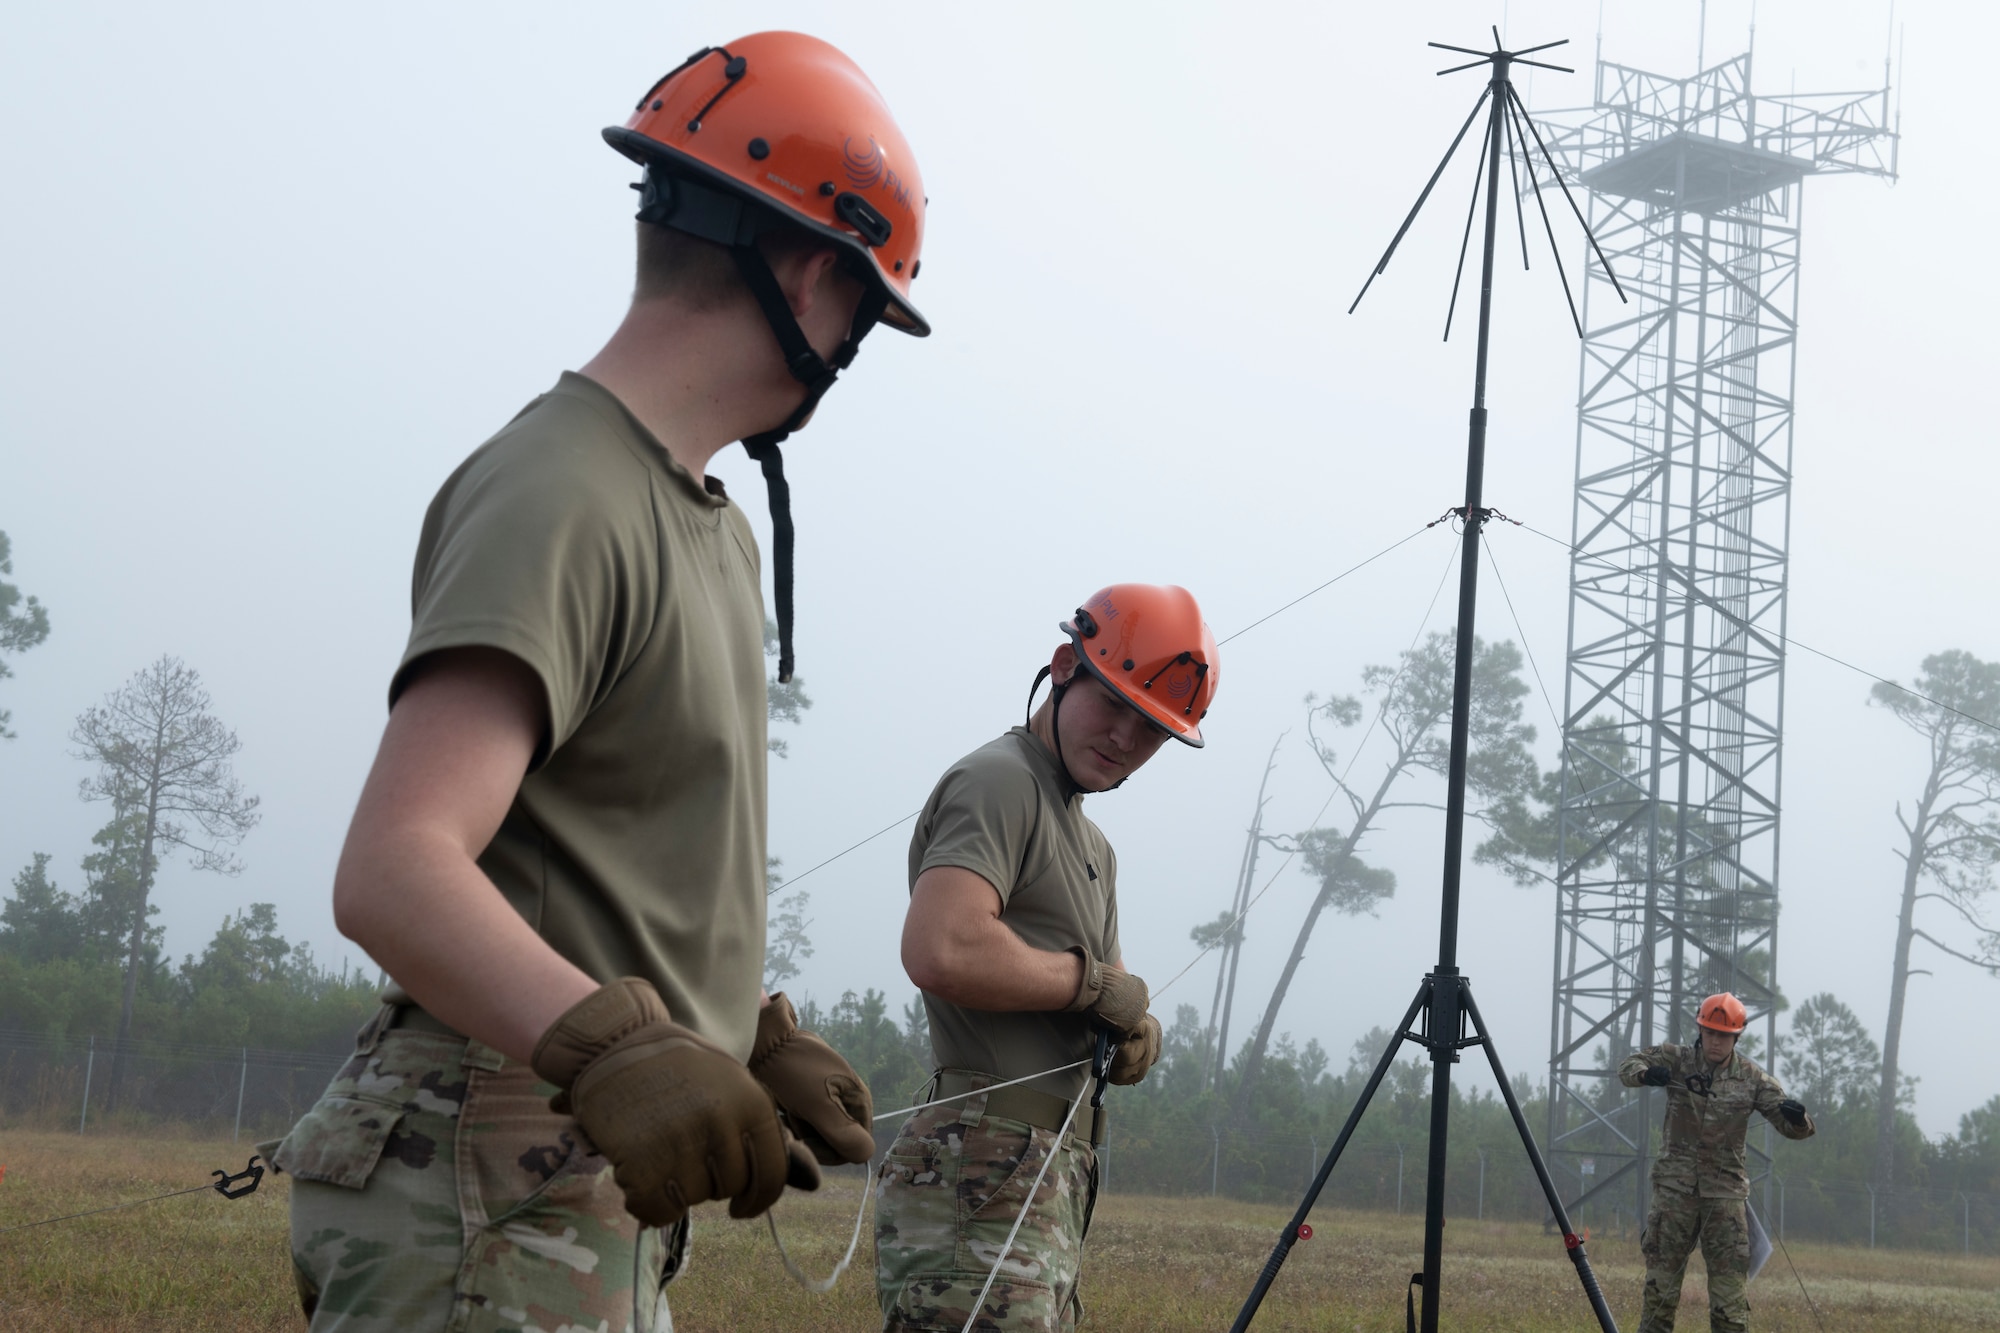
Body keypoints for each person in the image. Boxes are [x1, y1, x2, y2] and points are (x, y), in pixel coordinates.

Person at [269, 32, 930, 1331]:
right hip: (481, 1170)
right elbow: (396, 866)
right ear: (809, 270)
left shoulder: (712, 526)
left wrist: (736, 1027)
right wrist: (628, 1044)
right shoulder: (563, 489)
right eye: (866, 307)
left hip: (570, 1183)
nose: (857, 348)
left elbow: (607, 853)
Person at [875, 584, 1219, 1332]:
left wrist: (1132, 1035)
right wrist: (1089, 984)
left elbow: (1109, 997)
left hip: (1049, 1173)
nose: (1126, 737)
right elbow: (943, 945)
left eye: (1153, 728)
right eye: (1114, 705)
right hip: (979, 1165)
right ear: (1064, 666)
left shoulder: (1095, 845)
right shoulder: (1002, 780)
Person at [1618, 992, 1817, 1333]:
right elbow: (1628, 1066)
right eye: (1710, 1032)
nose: (1715, 1041)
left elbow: (1794, 1127)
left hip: (1724, 1199)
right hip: (1674, 1194)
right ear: (1700, 1030)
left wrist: (1797, 1119)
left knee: (1729, 1303)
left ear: (1736, 1037)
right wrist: (1647, 1074)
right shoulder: (1676, 1059)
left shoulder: (1753, 1079)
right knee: (1659, 1295)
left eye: (1723, 1035)